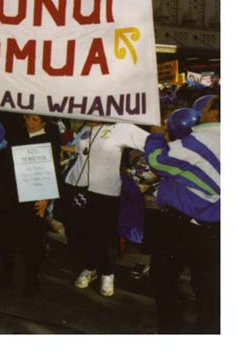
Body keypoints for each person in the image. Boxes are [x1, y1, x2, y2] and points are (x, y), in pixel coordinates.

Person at [145, 95, 220, 333]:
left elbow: (158, 161)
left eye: (205, 107)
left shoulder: (199, 140)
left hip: (180, 228)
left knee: (164, 283)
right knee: (210, 292)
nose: (198, 112)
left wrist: (157, 135)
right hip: (216, 229)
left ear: (215, 114)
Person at [62, 120, 149, 297]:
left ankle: (107, 273)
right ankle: (89, 267)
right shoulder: (85, 128)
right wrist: (56, 147)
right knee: (78, 231)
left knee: (103, 234)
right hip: (77, 186)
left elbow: (151, 144)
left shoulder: (122, 128)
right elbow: (80, 150)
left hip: (105, 191)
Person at [0, 113, 61, 298]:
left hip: (34, 199)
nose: (29, 123)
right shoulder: (17, 135)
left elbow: (53, 170)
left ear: (44, 122)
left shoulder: (50, 140)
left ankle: (32, 282)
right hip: (11, 197)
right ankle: (6, 275)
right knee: (7, 239)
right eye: (27, 118)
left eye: (34, 120)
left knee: (31, 244)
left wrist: (46, 199)